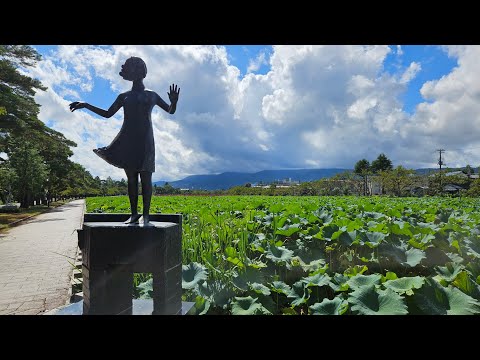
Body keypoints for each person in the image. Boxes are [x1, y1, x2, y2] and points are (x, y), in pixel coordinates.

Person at [69, 56, 180, 225]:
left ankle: (146, 215)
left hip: (145, 141)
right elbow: (107, 114)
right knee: (131, 179)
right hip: (127, 139)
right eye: (129, 69)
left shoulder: (152, 95)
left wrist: (174, 102)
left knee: (146, 178)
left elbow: (170, 111)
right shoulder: (124, 96)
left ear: (141, 72)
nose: (131, 72)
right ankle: (134, 214)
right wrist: (86, 104)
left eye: (133, 69)